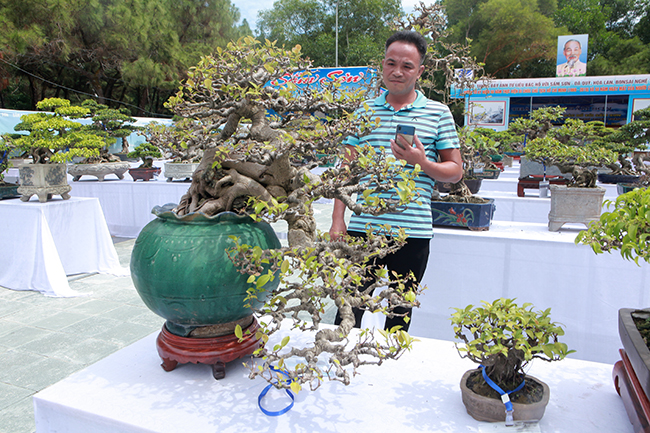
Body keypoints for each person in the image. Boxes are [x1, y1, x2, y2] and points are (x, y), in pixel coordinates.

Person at [329, 30, 463, 332]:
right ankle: (336, 368)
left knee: (399, 312)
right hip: (365, 229)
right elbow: (346, 171)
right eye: (391, 63)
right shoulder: (364, 111)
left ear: (420, 71)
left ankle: (387, 371)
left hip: (412, 233)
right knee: (350, 305)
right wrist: (339, 219)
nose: (397, 72)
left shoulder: (438, 113)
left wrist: (422, 162)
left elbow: (455, 171)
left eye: (407, 66)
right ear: (382, 65)